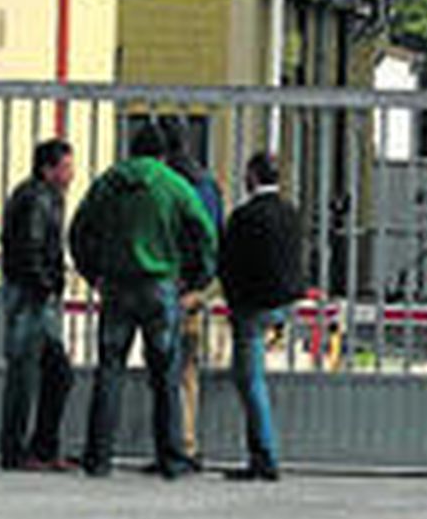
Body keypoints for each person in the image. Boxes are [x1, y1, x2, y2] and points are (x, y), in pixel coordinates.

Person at [70, 121, 216, 480]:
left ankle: (98, 456)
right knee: (165, 375)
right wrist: (196, 278)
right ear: (163, 154)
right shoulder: (174, 185)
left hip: (116, 287)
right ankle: (170, 457)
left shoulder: (108, 182)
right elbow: (205, 233)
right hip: (160, 287)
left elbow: (78, 231)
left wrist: (93, 274)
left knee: (109, 370)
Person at [218, 151, 305, 483]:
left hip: (251, 308)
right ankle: (261, 452)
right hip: (283, 303)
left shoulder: (244, 217)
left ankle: (264, 455)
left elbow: (229, 264)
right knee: (251, 378)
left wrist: (232, 302)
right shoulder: (290, 213)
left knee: (250, 381)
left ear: (252, 177)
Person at [0, 138, 76, 472]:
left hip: (36, 294)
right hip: (32, 297)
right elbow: (28, 247)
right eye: (66, 166)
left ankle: (42, 447)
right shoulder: (36, 199)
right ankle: (19, 450)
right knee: (27, 374)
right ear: (48, 169)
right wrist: (46, 284)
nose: (71, 173)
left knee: (54, 371)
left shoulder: (45, 197)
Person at [159, 118, 225, 475]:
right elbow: (215, 236)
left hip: (165, 281)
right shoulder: (208, 185)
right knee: (187, 369)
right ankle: (187, 443)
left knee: (165, 367)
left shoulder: (165, 184)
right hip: (195, 290)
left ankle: (173, 445)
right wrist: (203, 285)